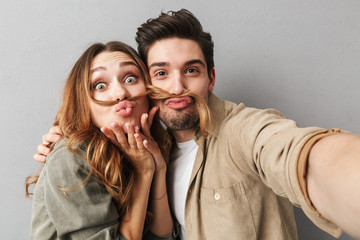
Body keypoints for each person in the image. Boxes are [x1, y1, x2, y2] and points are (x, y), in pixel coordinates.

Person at [34, 9, 360, 240]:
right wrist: (69, 136)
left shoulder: (237, 131)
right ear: (150, 85)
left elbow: (291, 152)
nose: (177, 88)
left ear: (211, 78)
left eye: (191, 70)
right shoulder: (131, 150)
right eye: (161, 73)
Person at [26, 41, 176, 239]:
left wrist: (158, 170)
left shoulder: (152, 148)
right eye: (100, 85)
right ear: (84, 103)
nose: (120, 93)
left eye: (130, 79)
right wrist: (144, 173)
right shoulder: (71, 157)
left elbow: (161, 238)